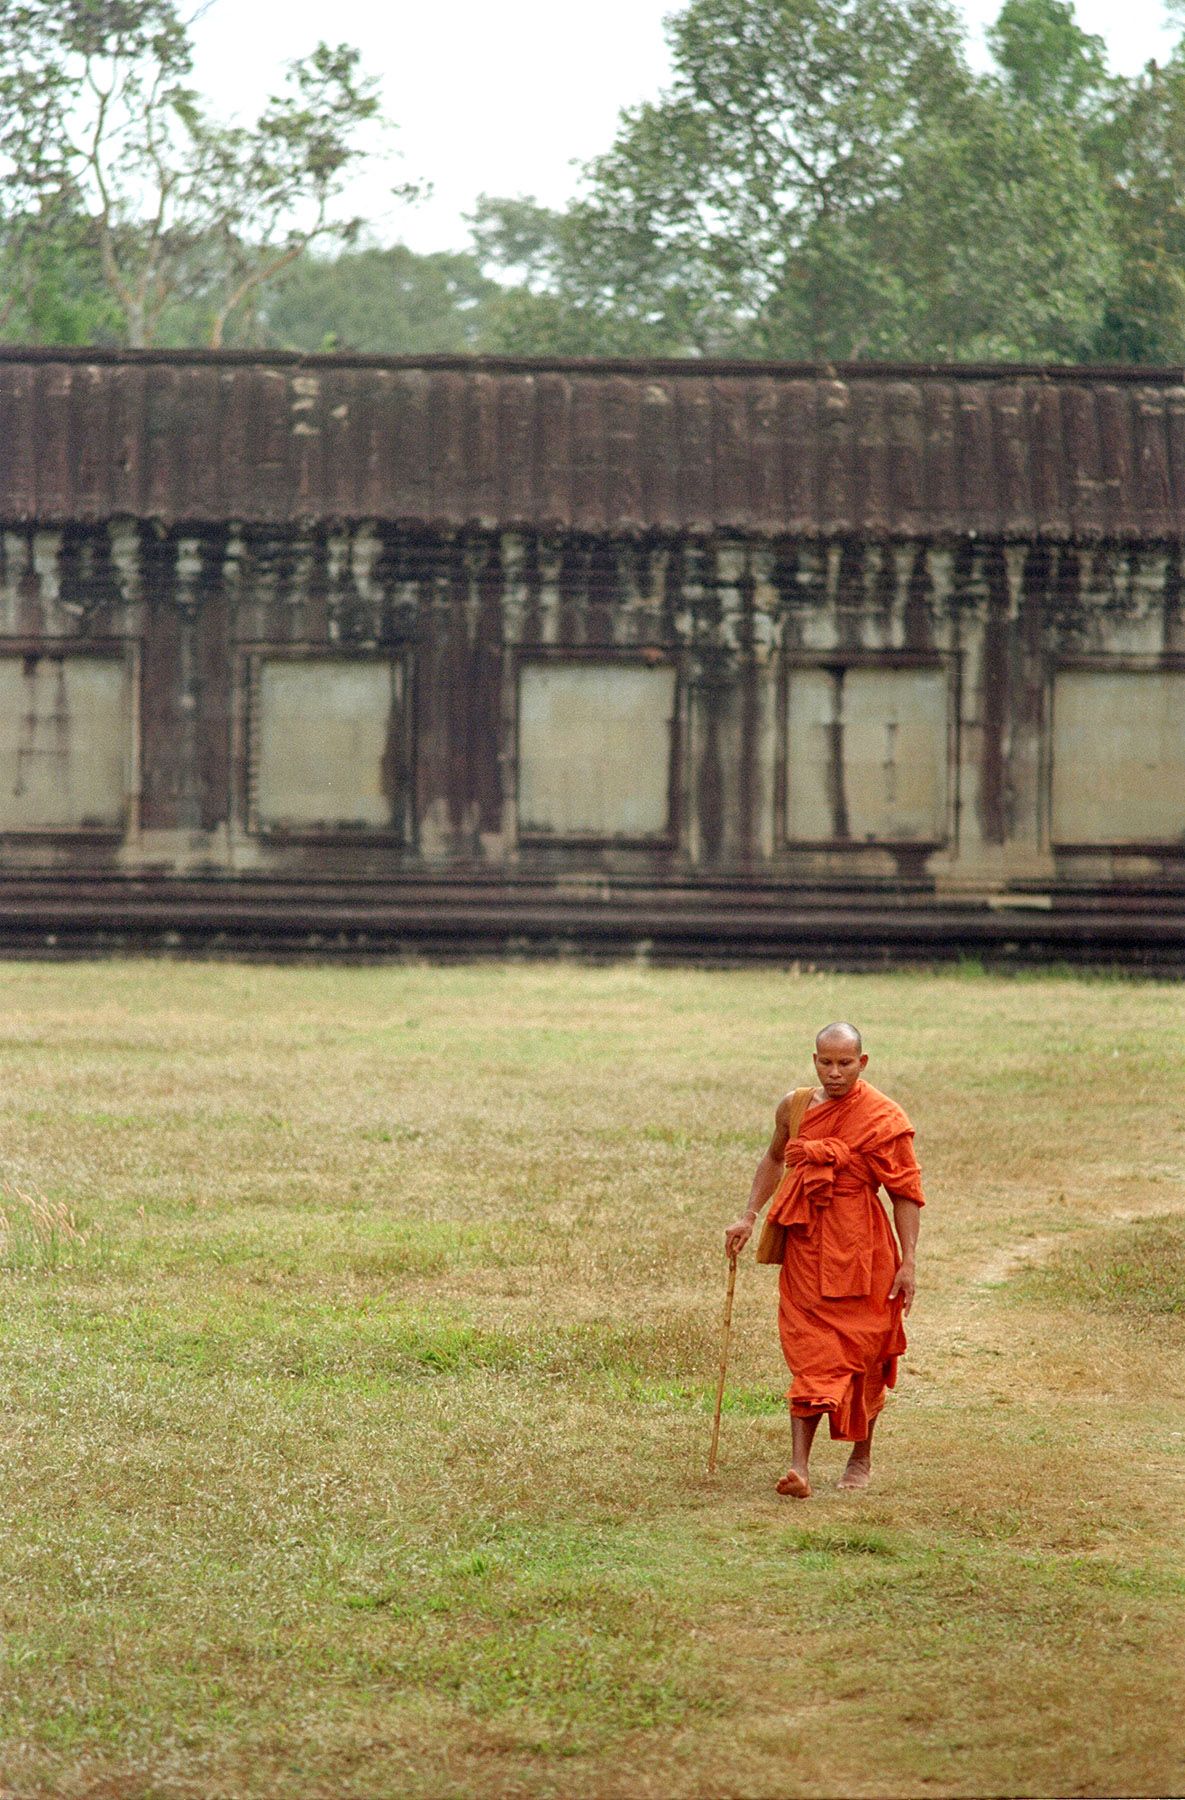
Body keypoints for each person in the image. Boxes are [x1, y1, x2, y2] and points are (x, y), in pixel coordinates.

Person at [724, 1023, 924, 1497]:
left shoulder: (883, 1117)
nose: (834, 1073)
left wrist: (909, 1261)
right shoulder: (794, 1107)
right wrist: (749, 1216)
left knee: (866, 1353)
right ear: (814, 1060)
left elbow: (905, 1193)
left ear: (863, 1062)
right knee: (810, 1351)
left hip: (865, 1250)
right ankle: (800, 1468)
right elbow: (775, 1159)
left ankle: (861, 1457)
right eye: (825, 1062)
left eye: (845, 1063)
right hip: (806, 1245)